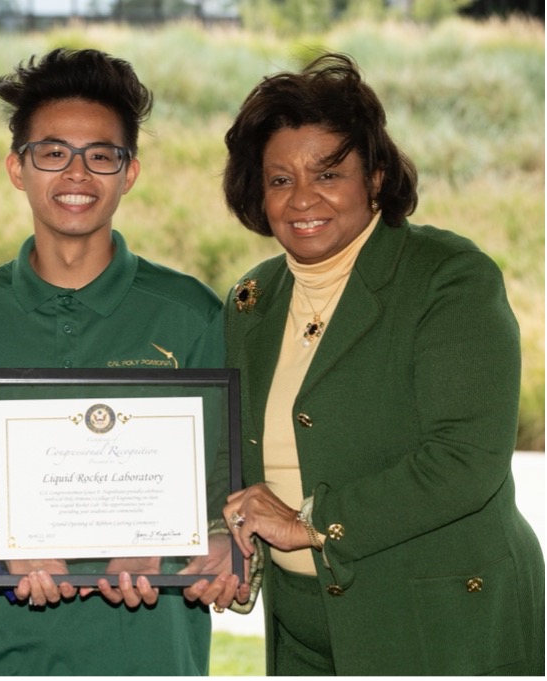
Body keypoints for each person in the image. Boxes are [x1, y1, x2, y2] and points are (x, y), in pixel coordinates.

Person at [219, 52, 545, 675]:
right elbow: (233, 454)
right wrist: (223, 539)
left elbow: (465, 461)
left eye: (328, 173)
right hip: (304, 635)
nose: (302, 198)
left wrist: (311, 524)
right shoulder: (250, 300)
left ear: (375, 177)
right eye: (280, 178)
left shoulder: (449, 279)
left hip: (440, 625)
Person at [0, 47, 245, 677]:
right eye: (52, 153)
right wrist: (2, 549)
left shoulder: (190, 314)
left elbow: (225, 481)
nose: (77, 174)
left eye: (101, 155)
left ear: (129, 172)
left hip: (150, 653)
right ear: (16, 168)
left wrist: (208, 547)